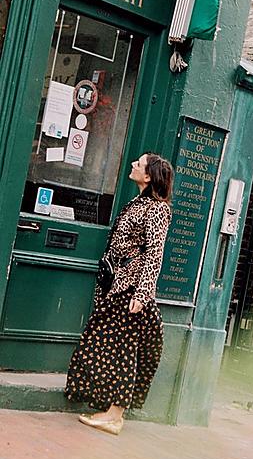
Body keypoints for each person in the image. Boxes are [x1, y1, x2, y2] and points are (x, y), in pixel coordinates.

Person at [64, 152, 174, 435]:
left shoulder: (158, 209)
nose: (134, 165)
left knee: (124, 351)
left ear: (149, 176)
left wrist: (142, 293)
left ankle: (115, 416)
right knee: (107, 346)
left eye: (139, 164)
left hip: (131, 290)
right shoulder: (139, 202)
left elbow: (154, 253)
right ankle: (108, 410)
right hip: (117, 284)